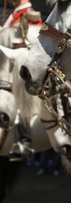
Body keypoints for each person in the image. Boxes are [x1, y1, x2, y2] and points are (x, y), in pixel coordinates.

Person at [3, 0, 42, 161]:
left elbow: (32, 41)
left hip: (19, 66)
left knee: (19, 99)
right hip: (5, 66)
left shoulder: (29, 15)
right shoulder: (13, 15)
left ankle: (24, 140)